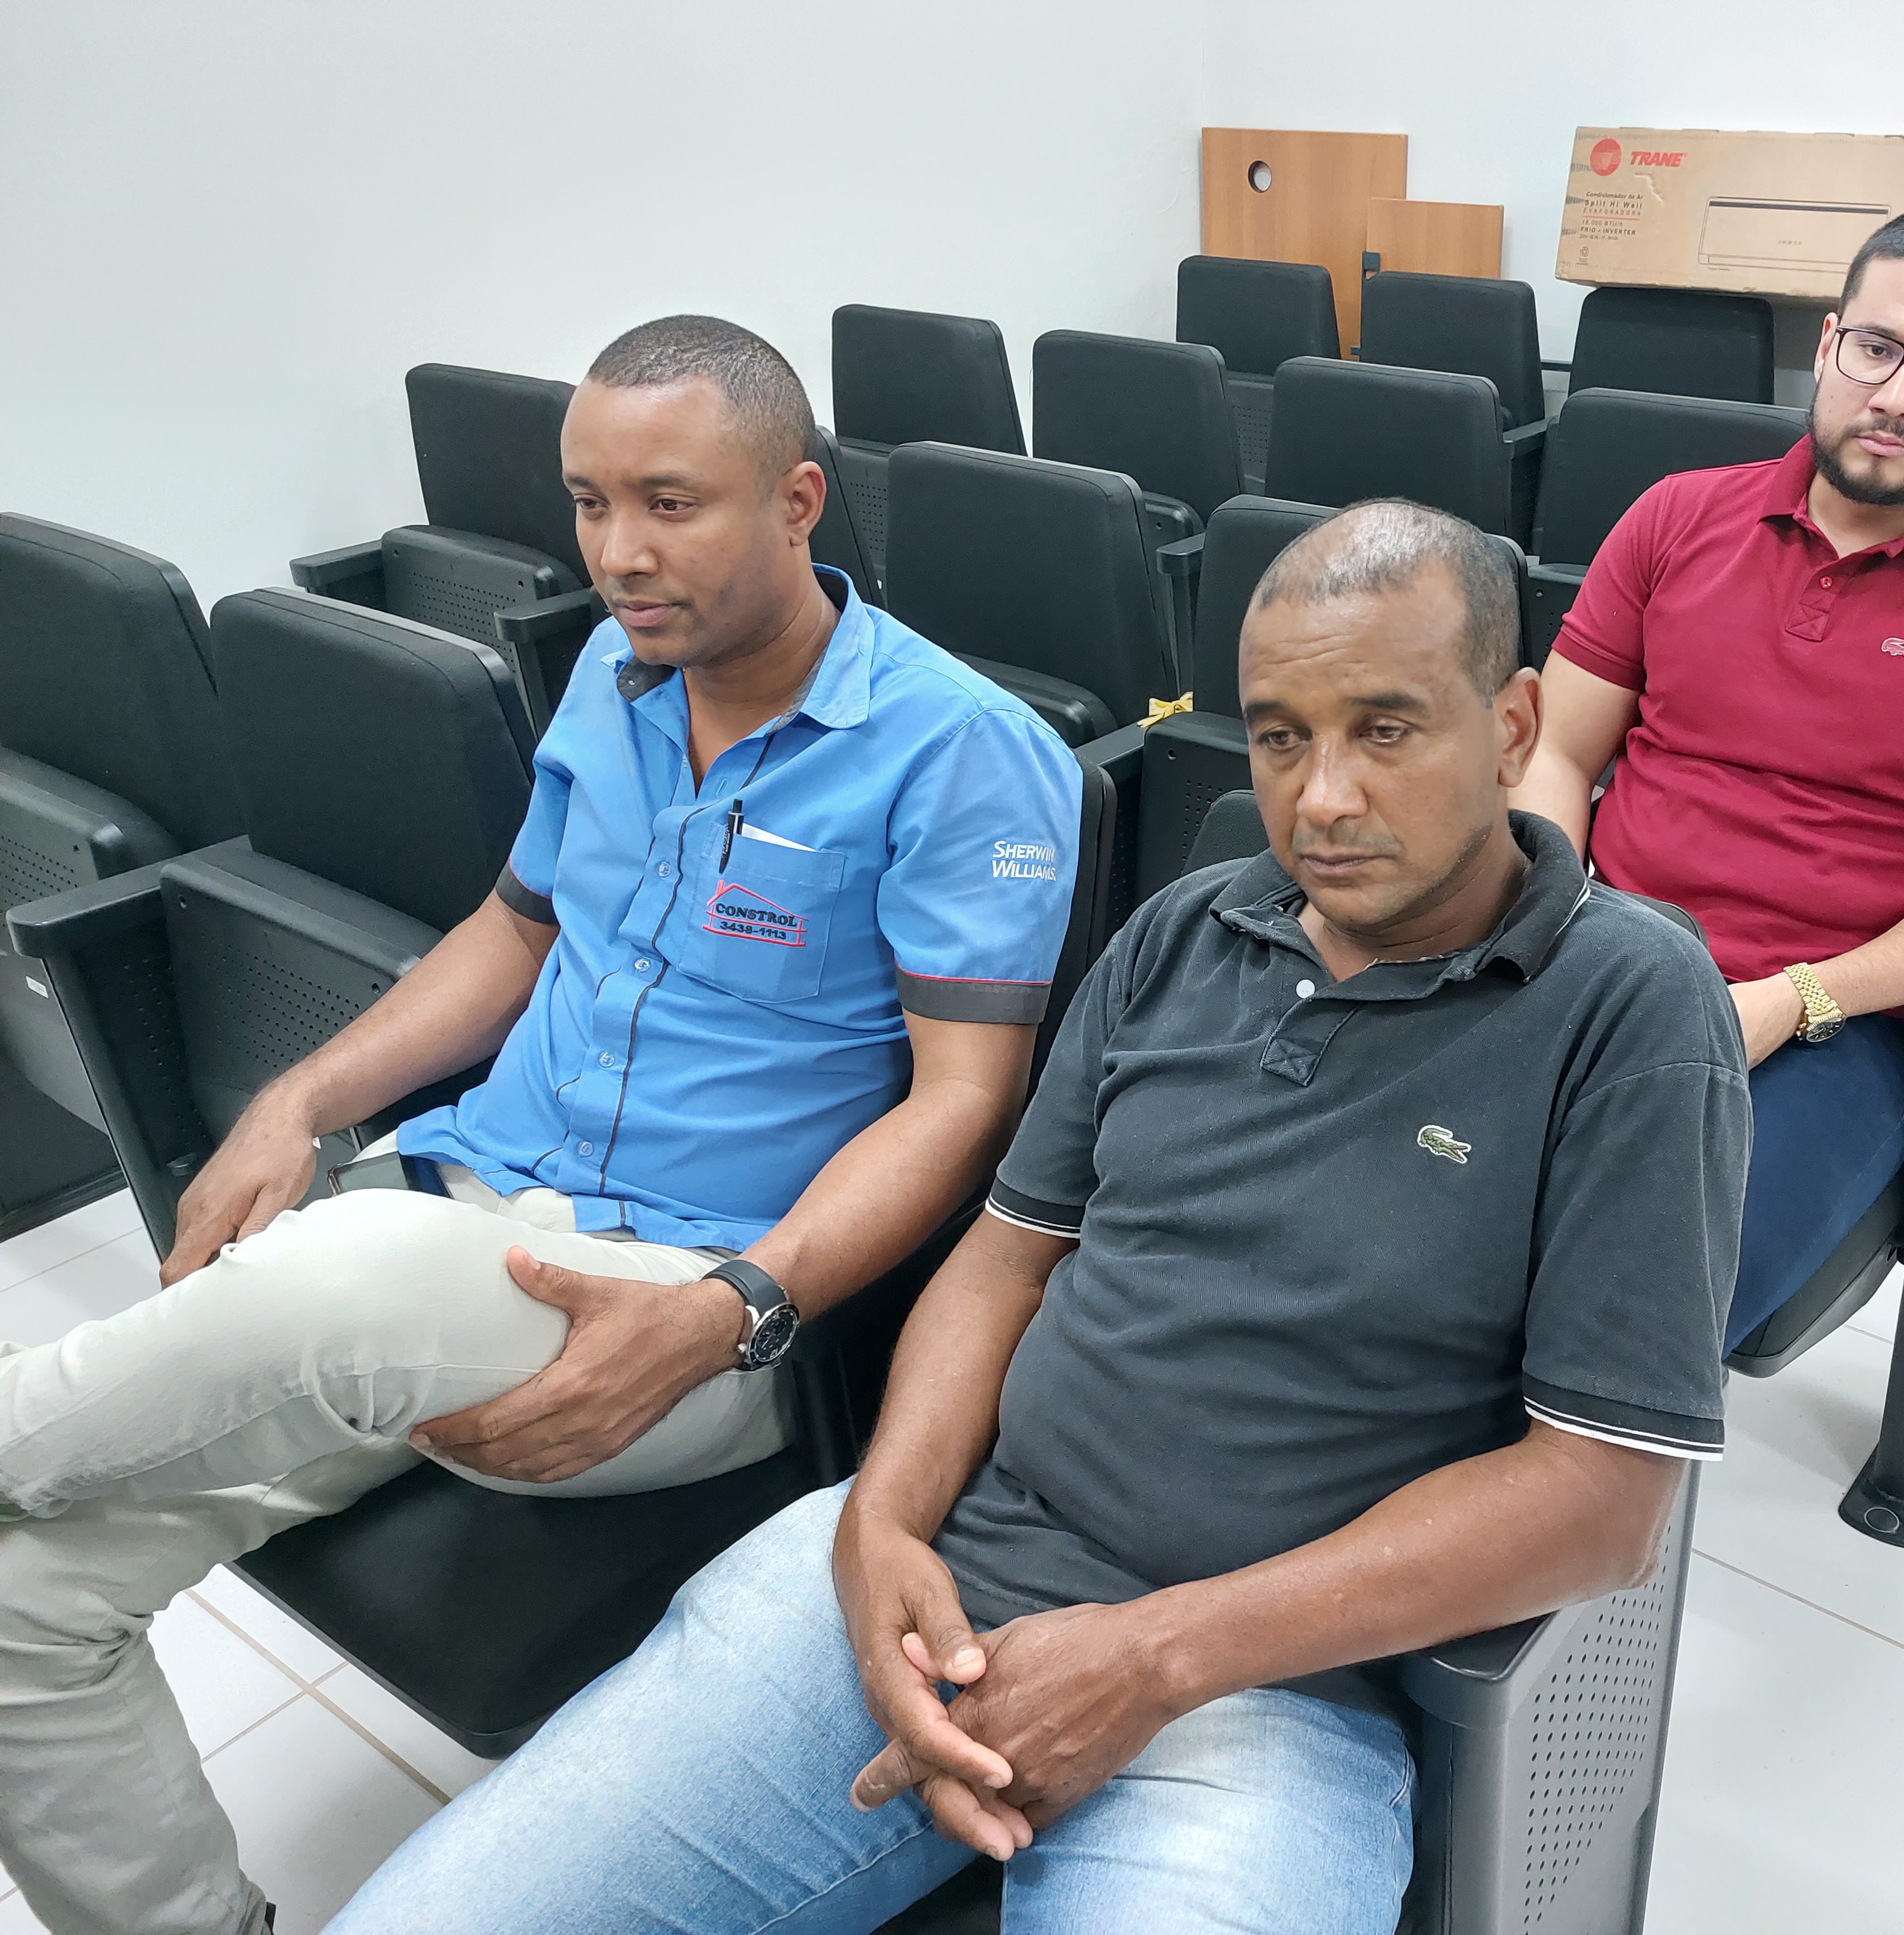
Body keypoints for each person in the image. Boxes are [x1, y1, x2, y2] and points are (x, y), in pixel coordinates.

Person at [330, 499, 1748, 1933]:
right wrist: (881, 1524)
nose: (1321, 799)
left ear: (1512, 728)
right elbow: (1005, 1262)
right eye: (1278, 738)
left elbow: (1600, 1501)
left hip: (1262, 1693)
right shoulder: (1182, 933)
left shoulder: (1628, 1005)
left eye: (1384, 730)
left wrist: (1152, 1658)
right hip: (940, 1578)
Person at [0, 315, 1083, 1935]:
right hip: (464, 1220)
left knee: (344, 1266)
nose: (618, 552)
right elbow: (514, 935)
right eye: (589, 502)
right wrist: (302, 1097)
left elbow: (963, 1105)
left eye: (669, 502)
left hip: (688, 1308)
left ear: (797, 502)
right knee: (19, 1597)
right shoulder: (614, 677)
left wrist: (735, 1306)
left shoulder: (962, 752)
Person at [1513, 200, 1904, 1352]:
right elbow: (1556, 748)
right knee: (1387, 1187)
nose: (1896, 395)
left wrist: (1793, 999)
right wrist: (1551, 917)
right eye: (1875, 348)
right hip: (1606, 954)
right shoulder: (1675, 519)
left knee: (1634, 1306)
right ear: (1828, 344)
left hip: (1838, 1027)